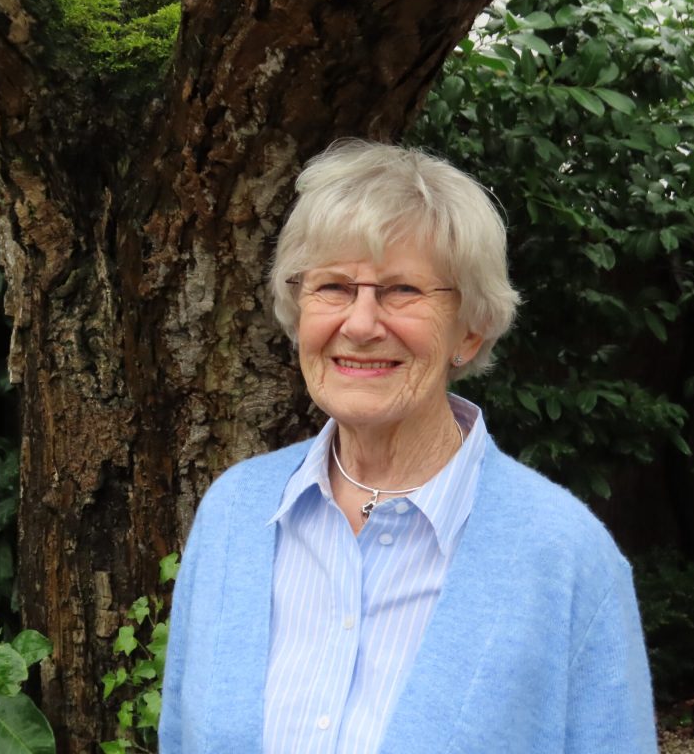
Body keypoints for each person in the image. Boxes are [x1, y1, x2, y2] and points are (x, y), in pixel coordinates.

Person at [159, 140, 657, 753]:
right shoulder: (234, 514)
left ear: (470, 330)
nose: (361, 324)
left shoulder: (565, 554)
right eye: (334, 287)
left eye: (402, 291)